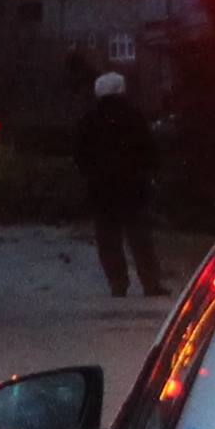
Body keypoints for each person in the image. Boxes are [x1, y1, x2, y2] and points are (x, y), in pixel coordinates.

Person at [76, 64, 163, 297]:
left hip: (101, 188)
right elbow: (148, 148)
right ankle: (150, 282)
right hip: (132, 186)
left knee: (108, 239)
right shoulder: (133, 116)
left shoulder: (89, 119)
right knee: (140, 237)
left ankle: (117, 282)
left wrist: (90, 174)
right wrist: (148, 172)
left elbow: (80, 153)